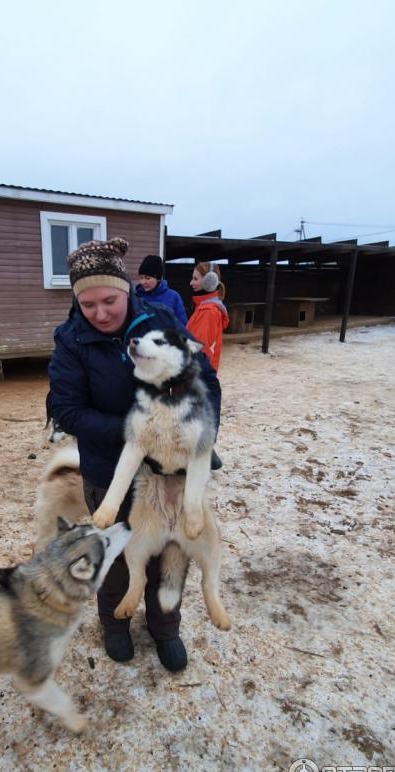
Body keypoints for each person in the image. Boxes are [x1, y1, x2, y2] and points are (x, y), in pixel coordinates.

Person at [48, 238, 221, 672]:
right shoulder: (71, 342)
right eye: (88, 305)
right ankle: (115, 623)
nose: (101, 313)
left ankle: (166, 627)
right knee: (119, 554)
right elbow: (66, 410)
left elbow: (208, 380)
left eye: (109, 300)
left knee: (170, 553)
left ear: (126, 291)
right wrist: (139, 434)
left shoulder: (161, 321)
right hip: (111, 471)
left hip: (171, 475)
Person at [186, 262, 229, 374]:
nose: (191, 283)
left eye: (195, 279)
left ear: (209, 281)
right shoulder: (204, 307)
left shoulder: (208, 311)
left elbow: (200, 351)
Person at [135, 255, 187, 324]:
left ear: (158, 278)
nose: (143, 282)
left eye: (147, 278)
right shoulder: (136, 296)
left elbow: (182, 323)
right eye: (141, 278)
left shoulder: (173, 297)